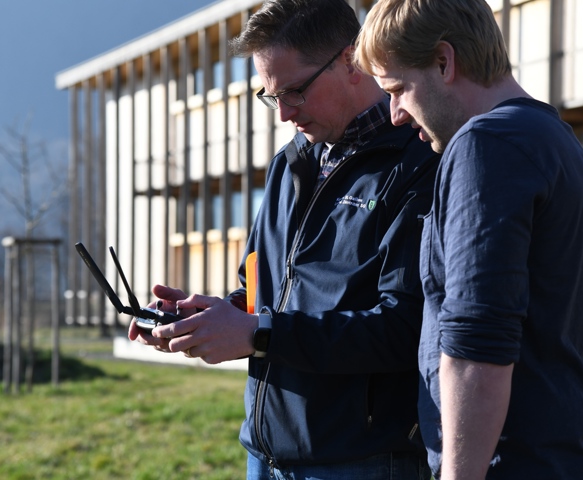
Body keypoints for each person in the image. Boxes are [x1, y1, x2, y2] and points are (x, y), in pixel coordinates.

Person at [129, 0, 439, 478]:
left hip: (362, 461)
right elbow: (258, 295)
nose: (284, 114)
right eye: (271, 96)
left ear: (351, 59)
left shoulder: (417, 165)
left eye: (294, 92)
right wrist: (208, 318)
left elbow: (404, 329)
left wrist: (259, 333)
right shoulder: (288, 165)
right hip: (266, 457)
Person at [354, 1, 583, 479]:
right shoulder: (556, 140)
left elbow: (476, 344)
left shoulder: (485, 145)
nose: (395, 114)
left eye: (398, 88)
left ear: (444, 62)